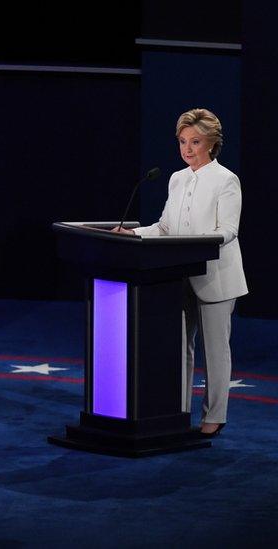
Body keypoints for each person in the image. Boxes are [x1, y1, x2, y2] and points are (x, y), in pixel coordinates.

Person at [114, 108, 247, 437]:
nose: (187, 149)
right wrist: (134, 234)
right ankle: (178, 410)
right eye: (183, 142)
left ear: (211, 144)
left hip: (215, 275)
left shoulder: (226, 180)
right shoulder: (176, 178)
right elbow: (165, 226)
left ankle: (214, 415)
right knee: (180, 347)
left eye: (195, 142)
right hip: (177, 274)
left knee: (215, 351)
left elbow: (228, 230)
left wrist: (190, 245)